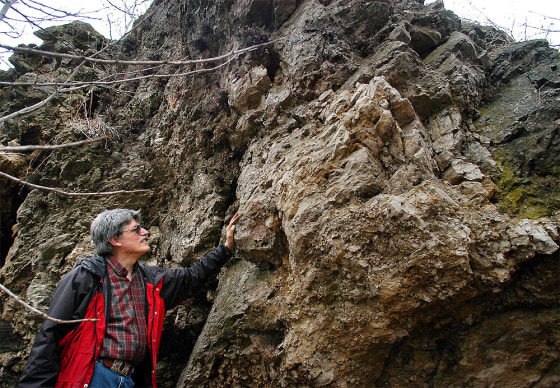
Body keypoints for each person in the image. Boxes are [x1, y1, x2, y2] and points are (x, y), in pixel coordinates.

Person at [18, 209, 239, 388]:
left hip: (130, 379)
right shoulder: (85, 278)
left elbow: (191, 278)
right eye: (136, 229)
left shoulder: (151, 280)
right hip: (93, 377)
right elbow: (51, 335)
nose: (145, 232)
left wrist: (226, 249)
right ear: (114, 239)